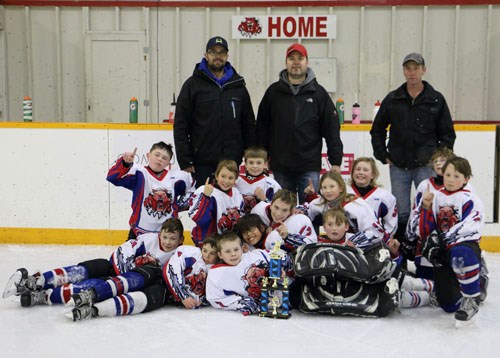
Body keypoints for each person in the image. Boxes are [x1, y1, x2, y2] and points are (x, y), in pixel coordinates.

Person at [370, 52, 456, 246]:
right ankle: (402, 254)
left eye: (416, 68)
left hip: (426, 166)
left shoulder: (436, 99)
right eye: (408, 68)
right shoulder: (393, 99)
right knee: (401, 212)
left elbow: (448, 133)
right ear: (403, 71)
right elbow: (377, 130)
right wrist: (383, 155)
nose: (412, 72)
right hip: (398, 166)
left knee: (431, 208)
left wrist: (440, 161)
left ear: (423, 70)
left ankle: (430, 252)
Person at [3, 218, 185, 307]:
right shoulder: (147, 239)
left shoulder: (178, 255)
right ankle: (39, 280)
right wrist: (122, 270)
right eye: (165, 237)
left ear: (181, 240)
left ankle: (44, 296)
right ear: (159, 234)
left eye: (172, 239)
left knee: (91, 286)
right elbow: (123, 252)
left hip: (130, 281)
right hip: (114, 267)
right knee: (82, 270)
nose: (167, 242)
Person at [256, 43, 343, 204]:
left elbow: (331, 129)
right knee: (281, 212)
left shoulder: (319, 93)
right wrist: (262, 157)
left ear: (307, 62)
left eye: (300, 58)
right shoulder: (273, 92)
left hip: (308, 166)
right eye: (291, 58)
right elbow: (262, 127)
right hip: (280, 166)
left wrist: (336, 161)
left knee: (310, 210)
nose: (296, 62)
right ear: (286, 62)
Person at [67, 236, 218, 321]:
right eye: (205, 250)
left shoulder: (217, 270)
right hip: (157, 273)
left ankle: (95, 310)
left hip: (165, 293)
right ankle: (91, 294)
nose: (207, 255)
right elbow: (172, 270)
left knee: (141, 301)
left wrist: (196, 300)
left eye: (212, 253)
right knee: (131, 280)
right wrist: (183, 295)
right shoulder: (190, 252)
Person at [174, 36, 256, 187]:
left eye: (222, 52)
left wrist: (250, 155)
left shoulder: (238, 86)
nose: (218, 56)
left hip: (232, 162)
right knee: (204, 205)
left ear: (227, 56)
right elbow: (180, 124)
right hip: (202, 162)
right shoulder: (192, 85)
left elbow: (248, 123)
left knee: (230, 207)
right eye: (213, 52)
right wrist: (185, 159)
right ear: (206, 55)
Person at [415, 157, 487, 325]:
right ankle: (477, 280)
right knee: (448, 305)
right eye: (448, 175)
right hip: (442, 251)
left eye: (456, 176)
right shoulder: (436, 197)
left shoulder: (470, 199)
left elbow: (470, 227)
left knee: (460, 253)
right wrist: (425, 208)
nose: (451, 179)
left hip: (463, 246)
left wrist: (441, 239)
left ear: (466, 179)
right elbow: (426, 230)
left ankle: (472, 298)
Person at [107, 142, 194, 241]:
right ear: (148, 155)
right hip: (138, 231)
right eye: (157, 155)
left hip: (167, 236)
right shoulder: (139, 173)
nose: (160, 159)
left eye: (164, 158)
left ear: (169, 163)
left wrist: (180, 205)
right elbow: (112, 178)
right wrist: (125, 164)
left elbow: (194, 191)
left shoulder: (177, 178)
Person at [206, 232, 271, 315]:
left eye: (236, 249)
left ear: (242, 249)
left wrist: (278, 269)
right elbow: (215, 298)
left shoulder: (254, 256)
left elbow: (277, 257)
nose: (233, 254)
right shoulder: (215, 274)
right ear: (220, 255)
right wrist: (242, 303)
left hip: (282, 296)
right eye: (228, 251)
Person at [188, 160, 243, 246]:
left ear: (235, 179)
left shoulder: (237, 194)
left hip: (227, 244)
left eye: (230, 178)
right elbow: (198, 219)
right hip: (207, 243)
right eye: (223, 176)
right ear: (216, 176)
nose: (226, 181)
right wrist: (205, 197)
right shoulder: (204, 190)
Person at [251, 189, 317, 252]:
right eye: (276, 207)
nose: (278, 214)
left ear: (291, 212)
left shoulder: (297, 220)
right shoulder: (258, 210)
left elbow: (309, 246)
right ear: (270, 205)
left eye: (285, 210)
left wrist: (287, 237)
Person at [347, 157, 398, 238]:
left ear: (373, 175)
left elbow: (391, 223)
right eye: (358, 169)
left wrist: (384, 239)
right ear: (352, 173)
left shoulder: (384, 196)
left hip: (373, 240)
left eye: (365, 170)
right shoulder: (343, 192)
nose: (361, 172)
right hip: (347, 239)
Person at [236, 146, 281, 214]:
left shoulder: (272, 184)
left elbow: (279, 209)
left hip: (261, 222)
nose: (255, 166)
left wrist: (264, 199)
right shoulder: (237, 182)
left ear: (265, 164)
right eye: (251, 163)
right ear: (245, 164)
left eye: (259, 163)